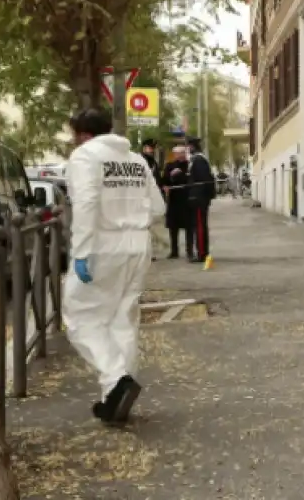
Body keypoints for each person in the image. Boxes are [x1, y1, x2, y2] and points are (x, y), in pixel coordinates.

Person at [63, 108, 166, 424]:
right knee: (123, 316)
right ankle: (117, 394)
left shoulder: (85, 157)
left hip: (101, 245)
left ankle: (116, 379)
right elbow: (159, 207)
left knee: (81, 316)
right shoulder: (136, 160)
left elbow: (86, 204)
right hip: (137, 244)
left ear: (82, 134)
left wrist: (81, 253)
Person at [185, 136, 216, 263]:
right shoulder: (196, 159)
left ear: (192, 147)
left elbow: (202, 181)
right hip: (198, 199)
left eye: (189, 146)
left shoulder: (199, 160)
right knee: (199, 226)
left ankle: (202, 253)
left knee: (200, 226)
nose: (188, 149)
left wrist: (195, 195)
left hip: (199, 199)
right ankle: (201, 251)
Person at [162, 145, 192, 260]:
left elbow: (191, 179)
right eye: (178, 153)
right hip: (174, 200)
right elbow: (164, 180)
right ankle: (174, 251)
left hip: (186, 199)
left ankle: (189, 250)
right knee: (173, 227)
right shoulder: (169, 166)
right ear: (174, 155)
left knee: (189, 227)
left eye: (183, 153)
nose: (181, 155)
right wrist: (165, 186)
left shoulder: (189, 165)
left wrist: (182, 174)